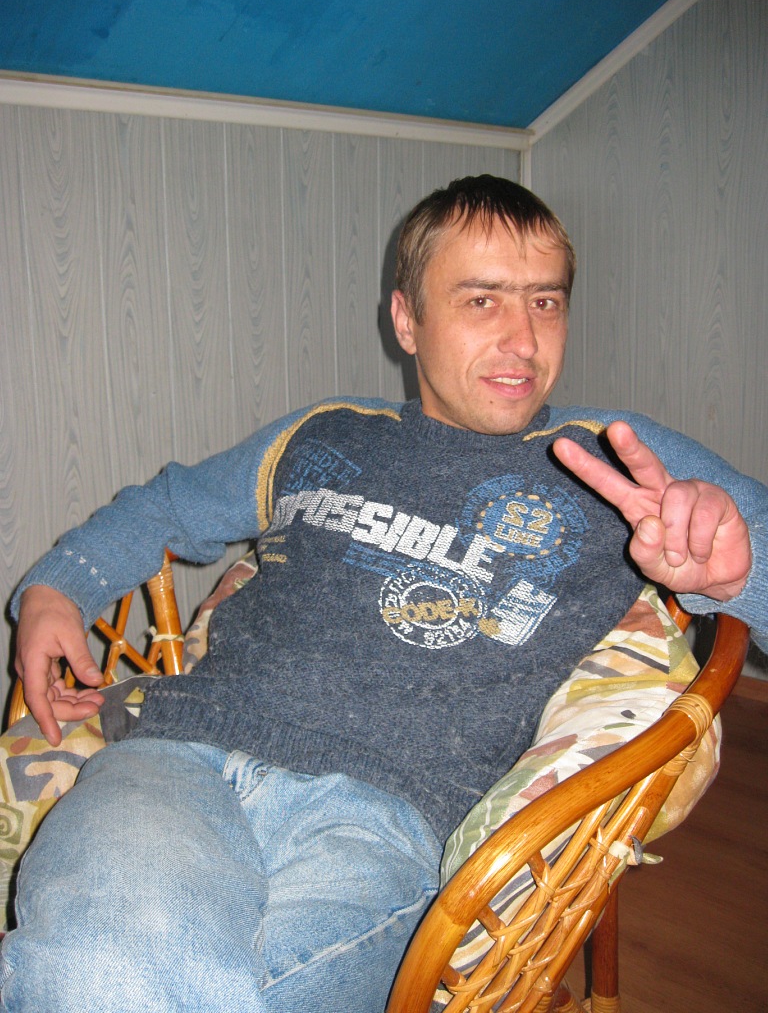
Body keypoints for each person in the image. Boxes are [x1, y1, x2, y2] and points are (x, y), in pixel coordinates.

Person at [2, 175, 766, 1012]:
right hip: (180, 753)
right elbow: (170, 505)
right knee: (97, 961)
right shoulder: (322, 432)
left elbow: (751, 544)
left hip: (388, 819)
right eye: (482, 301)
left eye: (545, 303)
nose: (522, 341)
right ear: (407, 321)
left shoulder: (614, 456)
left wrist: (736, 575)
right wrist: (58, 587)